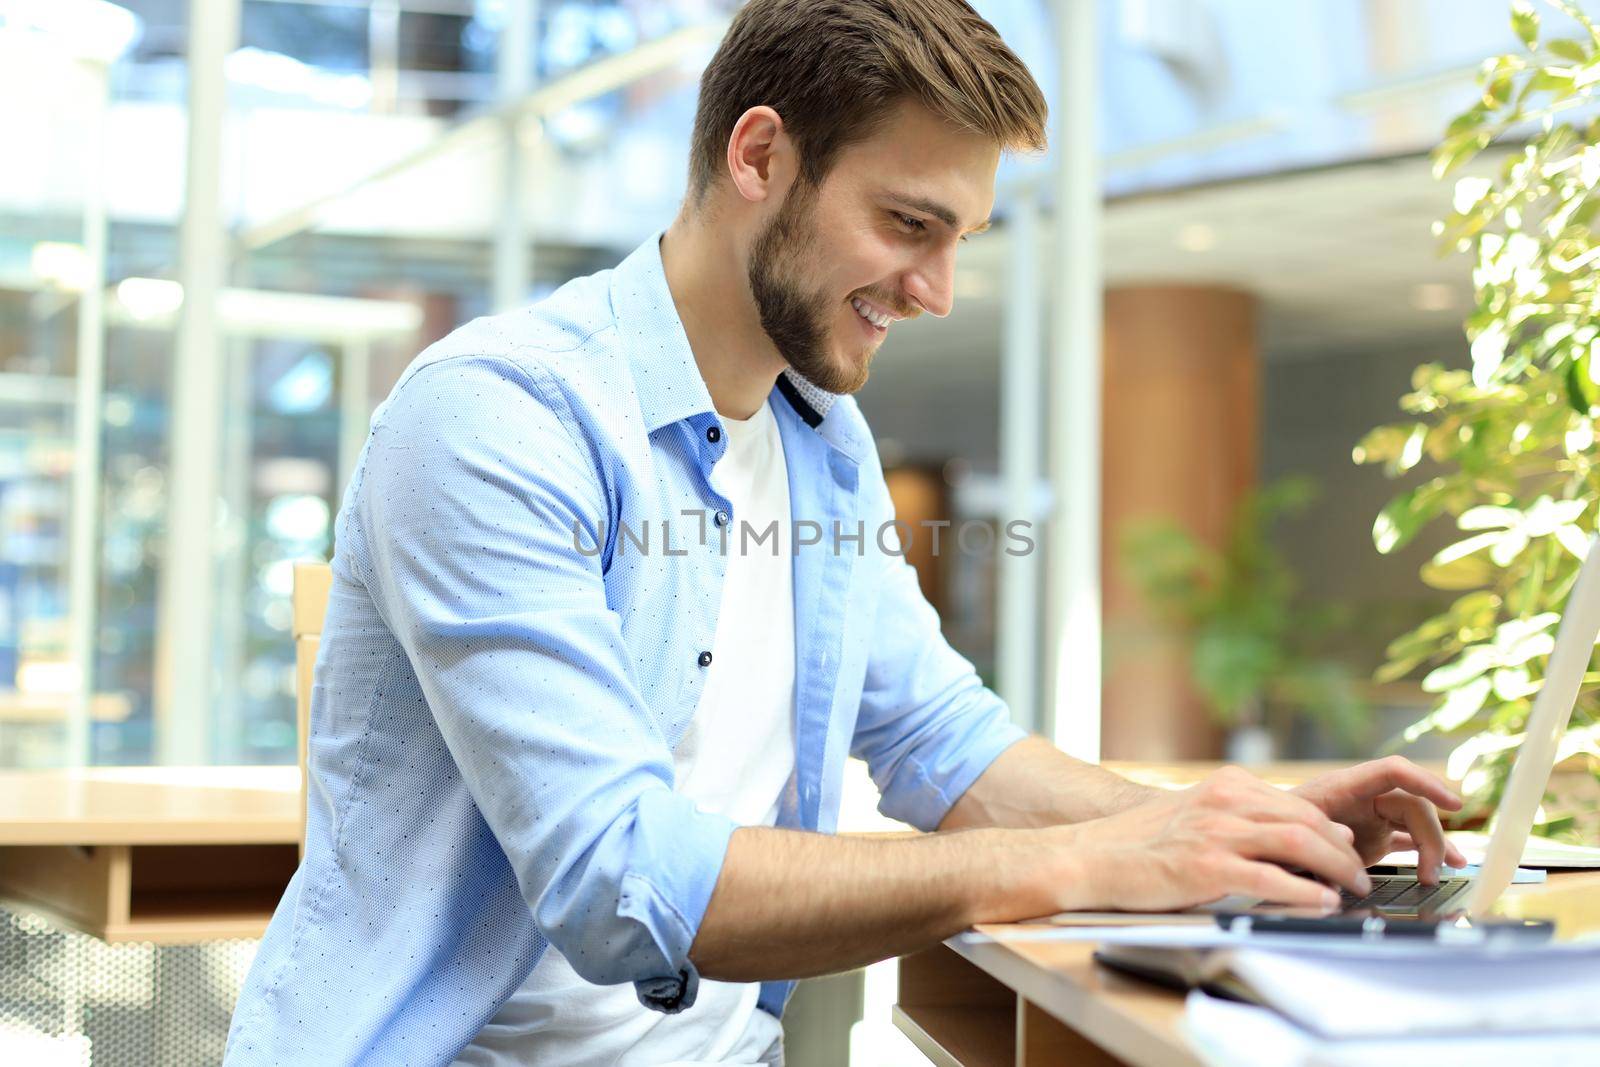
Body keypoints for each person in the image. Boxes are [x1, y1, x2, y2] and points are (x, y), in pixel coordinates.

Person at [224, 2, 1468, 1064]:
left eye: (958, 242)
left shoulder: (818, 439)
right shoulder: (498, 416)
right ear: (758, 154)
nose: (934, 290)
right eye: (908, 225)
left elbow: (940, 739)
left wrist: (1240, 830)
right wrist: (1091, 858)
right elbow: (623, 880)